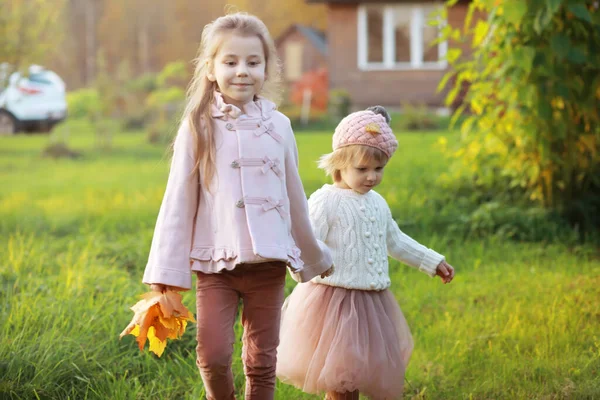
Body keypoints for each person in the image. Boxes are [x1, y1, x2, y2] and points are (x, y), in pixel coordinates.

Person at [142, 12, 333, 400]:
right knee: (212, 355)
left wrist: (312, 256)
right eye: (230, 62)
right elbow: (178, 199)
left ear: (266, 67)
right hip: (217, 264)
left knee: (263, 361)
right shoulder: (198, 125)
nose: (242, 71)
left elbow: (293, 195)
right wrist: (165, 271)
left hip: (269, 264)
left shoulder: (279, 126)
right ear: (211, 69)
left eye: (253, 62)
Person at [276, 106, 455, 400]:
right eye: (362, 169)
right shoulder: (326, 200)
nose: (371, 177)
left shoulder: (377, 202)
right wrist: (304, 269)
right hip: (332, 303)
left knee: (359, 374)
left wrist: (432, 262)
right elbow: (306, 240)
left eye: (379, 169)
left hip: (372, 304)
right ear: (339, 163)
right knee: (341, 378)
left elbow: (395, 241)